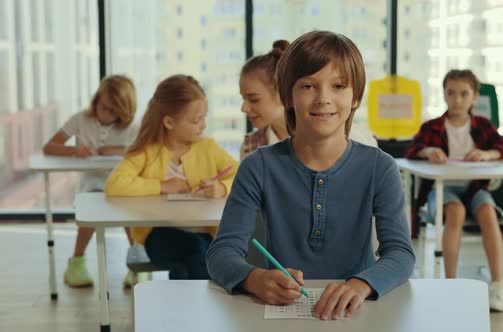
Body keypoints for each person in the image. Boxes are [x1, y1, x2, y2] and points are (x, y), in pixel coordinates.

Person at [207, 31, 415, 320]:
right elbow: (221, 253)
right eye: (308, 86)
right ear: (287, 96)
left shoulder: (380, 167)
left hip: (358, 315)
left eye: (339, 86)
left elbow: (401, 255)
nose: (323, 99)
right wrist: (254, 279)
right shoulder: (258, 166)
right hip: (281, 315)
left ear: (355, 97)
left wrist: (361, 284)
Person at [105, 75, 238, 280]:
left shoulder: (208, 148)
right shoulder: (147, 152)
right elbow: (115, 185)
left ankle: (182, 307)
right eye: (196, 120)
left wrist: (222, 187)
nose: (203, 126)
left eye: (204, 118)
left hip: (204, 232)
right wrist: (162, 186)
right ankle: (203, 309)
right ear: (169, 122)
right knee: (199, 252)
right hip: (159, 237)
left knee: (188, 265)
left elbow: (243, 176)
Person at [405, 69, 503, 312]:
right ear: (444, 94)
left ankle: (498, 285)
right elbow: (412, 149)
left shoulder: (483, 126)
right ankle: (451, 285)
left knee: (488, 211)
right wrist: (428, 152)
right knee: (455, 213)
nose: (457, 100)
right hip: (442, 190)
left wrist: (488, 154)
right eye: (451, 93)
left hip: (475, 188)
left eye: (464, 94)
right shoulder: (432, 127)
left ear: (475, 96)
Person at [43, 74, 138, 288]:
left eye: (113, 111)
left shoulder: (133, 127)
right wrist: (75, 150)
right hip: (93, 181)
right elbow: (50, 147)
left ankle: (136, 264)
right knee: (92, 205)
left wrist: (110, 150)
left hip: (123, 181)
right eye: (103, 107)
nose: (105, 114)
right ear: (96, 101)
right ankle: (76, 262)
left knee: (127, 210)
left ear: (124, 112)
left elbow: (143, 151)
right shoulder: (81, 119)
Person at [240, 40, 377, 160]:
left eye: (253, 99)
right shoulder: (252, 146)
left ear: (281, 92)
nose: (244, 108)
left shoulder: (361, 143)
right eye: (308, 87)